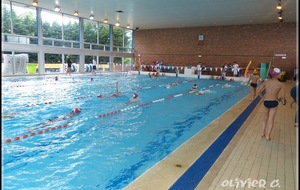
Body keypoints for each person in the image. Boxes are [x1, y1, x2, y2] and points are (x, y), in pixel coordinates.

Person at [256, 68, 286, 141]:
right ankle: (267, 136)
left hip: (266, 101)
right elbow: (282, 97)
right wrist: (279, 100)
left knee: (264, 118)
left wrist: (263, 98)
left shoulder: (266, 82)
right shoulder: (281, 84)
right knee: (271, 119)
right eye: (280, 74)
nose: (281, 75)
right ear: (277, 75)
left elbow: (258, 91)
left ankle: (262, 133)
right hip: (274, 102)